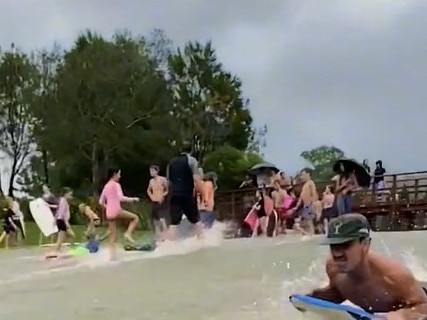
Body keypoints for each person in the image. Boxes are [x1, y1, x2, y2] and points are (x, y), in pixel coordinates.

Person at [305, 213, 427, 319]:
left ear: (365, 244)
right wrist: (314, 299)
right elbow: (340, 293)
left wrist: (404, 315)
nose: (337, 253)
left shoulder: (394, 276)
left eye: (345, 244)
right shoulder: (333, 268)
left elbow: (423, 306)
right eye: (333, 245)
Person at [165, 146, 205, 240]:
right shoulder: (192, 160)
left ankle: (168, 244)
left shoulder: (171, 163)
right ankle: (202, 240)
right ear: (191, 151)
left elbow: (168, 182)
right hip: (188, 194)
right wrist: (199, 192)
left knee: (173, 223)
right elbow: (196, 179)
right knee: (196, 219)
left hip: (174, 194)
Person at [99, 167, 140, 260]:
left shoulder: (106, 186)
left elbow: (101, 202)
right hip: (116, 210)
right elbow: (121, 198)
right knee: (135, 218)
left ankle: (112, 256)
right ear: (114, 174)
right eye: (119, 174)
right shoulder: (116, 185)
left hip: (109, 212)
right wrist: (133, 199)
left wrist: (107, 207)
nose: (120, 176)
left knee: (112, 236)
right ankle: (128, 234)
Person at [290, 168, 318, 236]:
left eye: (303, 175)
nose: (302, 177)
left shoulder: (311, 183)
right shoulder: (305, 185)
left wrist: (313, 204)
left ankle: (311, 234)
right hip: (305, 205)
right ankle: (308, 234)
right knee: (305, 222)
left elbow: (314, 194)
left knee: (309, 222)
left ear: (308, 174)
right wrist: (296, 207)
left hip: (309, 205)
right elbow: (301, 198)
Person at [146, 165, 169, 239]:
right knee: (155, 220)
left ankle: (166, 237)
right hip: (154, 201)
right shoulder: (151, 181)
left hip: (161, 201)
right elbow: (148, 190)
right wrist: (151, 196)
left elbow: (167, 190)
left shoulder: (162, 179)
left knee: (162, 219)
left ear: (157, 171)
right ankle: (158, 237)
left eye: (153, 171)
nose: (151, 173)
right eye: (150, 171)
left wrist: (163, 195)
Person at [53, 187, 75, 253]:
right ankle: (55, 252)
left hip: (60, 221)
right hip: (62, 221)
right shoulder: (63, 201)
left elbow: (58, 211)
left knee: (71, 235)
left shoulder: (62, 201)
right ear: (65, 194)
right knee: (61, 239)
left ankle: (72, 249)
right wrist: (66, 223)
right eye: (70, 195)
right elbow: (61, 213)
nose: (71, 196)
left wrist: (55, 220)